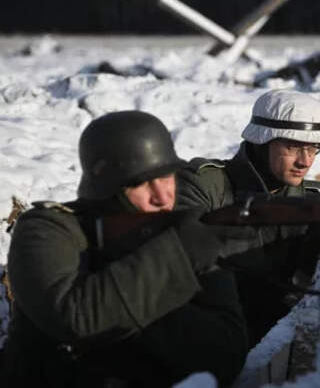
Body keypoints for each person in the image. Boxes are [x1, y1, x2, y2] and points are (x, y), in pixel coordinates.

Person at [2, 111, 265, 387]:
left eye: (167, 178)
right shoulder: (48, 228)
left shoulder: (187, 232)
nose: (163, 197)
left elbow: (226, 358)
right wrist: (178, 257)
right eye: (141, 183)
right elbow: (74, 317)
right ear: (106, 188)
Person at [177, 90, 320, 347]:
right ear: (261, 143)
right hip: (207, 336)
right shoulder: (205, 186)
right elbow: (173, 261)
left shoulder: (316, 199)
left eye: (313, 148)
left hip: (280, 337)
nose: (305, 161)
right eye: (293, 146)